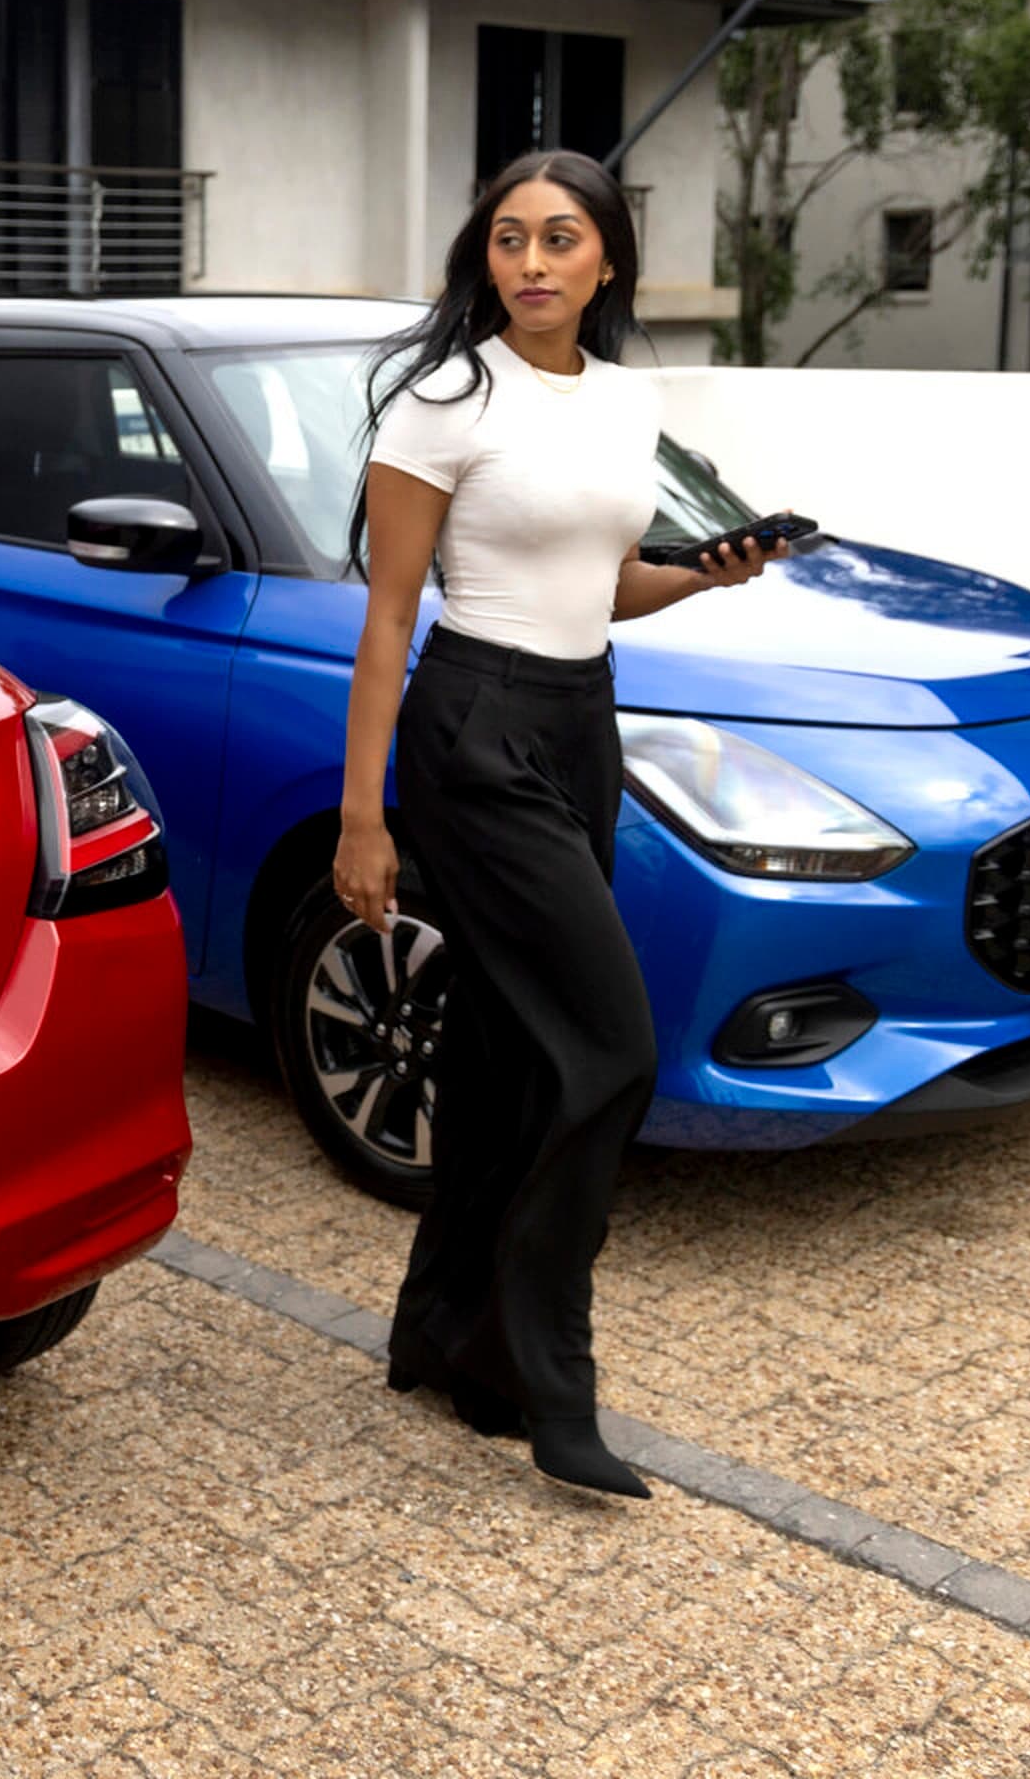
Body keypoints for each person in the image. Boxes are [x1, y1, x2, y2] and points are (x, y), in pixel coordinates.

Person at [329, 147, 784, 1500]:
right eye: (509, 239)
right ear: (485, 258)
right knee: (608, 1050)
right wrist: (364, 819)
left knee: (505, 1053)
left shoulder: (627, 401)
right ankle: (550, 1379)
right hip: (472, 728)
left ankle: (448, 1339)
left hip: (580, 719)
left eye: (561, 238)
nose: (531, 262)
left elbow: (598, 586)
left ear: (604, 261)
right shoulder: (441, 399)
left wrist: (700, 577)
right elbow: (386, 622)